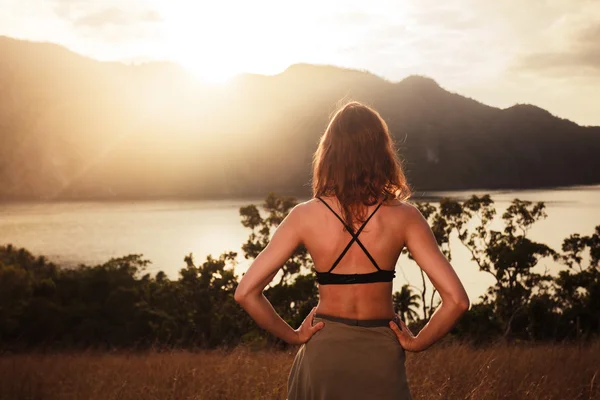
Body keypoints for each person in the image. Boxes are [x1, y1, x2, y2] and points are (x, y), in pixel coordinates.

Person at [234, 101, 470, 399]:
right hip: (382, 354)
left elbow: (245, 293)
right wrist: (417, 342)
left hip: (324, 354)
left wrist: (293, 336)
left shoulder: (304, 216)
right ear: (382, 152)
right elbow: (457, 301)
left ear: (329, 153)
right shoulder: (405, 217)